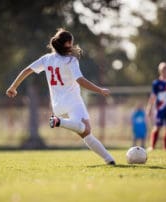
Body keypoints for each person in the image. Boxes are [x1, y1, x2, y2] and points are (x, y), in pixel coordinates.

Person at [6, 28, 116, 165]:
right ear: (67, 43)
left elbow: (27, 70)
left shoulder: (46, 59)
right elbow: (80, 80)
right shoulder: (70, 60)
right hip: (73, 102)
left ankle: (109, 159)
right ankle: (59, 122)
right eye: (71, 42)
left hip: (57, 105)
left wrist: (13, 86)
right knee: (86, 130)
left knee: (86, 133)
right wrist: (100, 90)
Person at [146, 62, 166, 150]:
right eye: (163, 70)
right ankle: (152, 146)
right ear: (160, 71)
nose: (165, 72)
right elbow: (153, 96)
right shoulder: (156, 83)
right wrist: (149, 108)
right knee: (157, 127)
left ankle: (165, 147)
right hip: (160, 108)